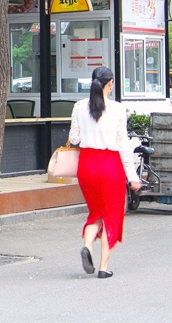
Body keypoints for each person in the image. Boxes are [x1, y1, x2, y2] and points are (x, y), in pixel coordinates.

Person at [68, 66, 142, 279]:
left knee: (96, 212)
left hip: (87, 165)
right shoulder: (118, 109)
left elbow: (74, 138)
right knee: (111, 215)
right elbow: (123, 146)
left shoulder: (79, 107)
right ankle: (103, 267)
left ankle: (88, 245)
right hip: (110, 165)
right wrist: (133, 177)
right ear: (110, 84)